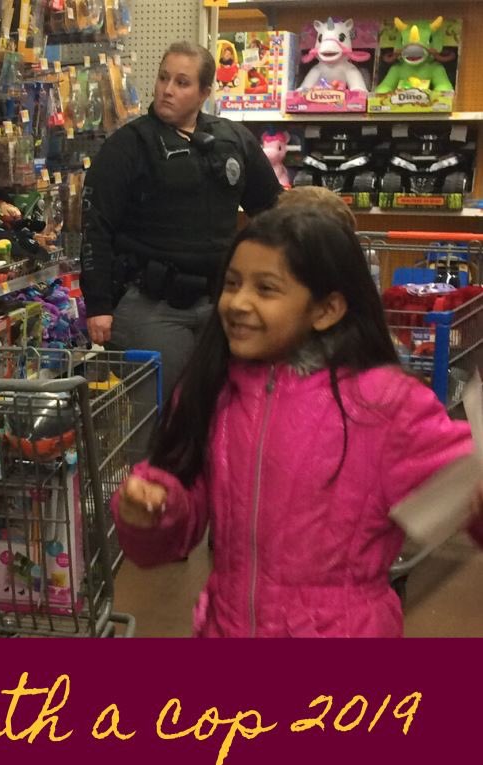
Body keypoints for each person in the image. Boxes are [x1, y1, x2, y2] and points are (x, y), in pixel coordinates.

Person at [112, 205, 483, 637]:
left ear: (327, 309)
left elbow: (462, 487)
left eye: (266, 289)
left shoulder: (385, 403)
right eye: (231, 283)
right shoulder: (214, 386)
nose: (238, 303)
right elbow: (183, 506)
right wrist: (156, 507)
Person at [80, 41, 282, 400]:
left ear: (204, 92)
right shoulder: (127, 146)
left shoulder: (233, 140)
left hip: (221, 304)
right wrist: (98, 306)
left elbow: (272, 213)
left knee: (224, 410)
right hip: (150, 305)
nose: (167, 89)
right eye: (163, 78)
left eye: (182, 82)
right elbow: (96, 227)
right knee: (158, 419)